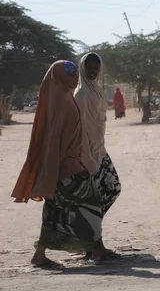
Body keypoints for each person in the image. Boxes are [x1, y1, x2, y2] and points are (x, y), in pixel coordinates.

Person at [11, 61, 114, 267]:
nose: (76, 78)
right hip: (69, 168)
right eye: (72, 75)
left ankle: (40, 254)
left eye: (77, 74)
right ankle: (97, 248)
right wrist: (63, 166)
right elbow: (56, 140)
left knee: (54, 210)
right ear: (59, 77)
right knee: (92, 202)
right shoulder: (62, 103)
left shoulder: (63, 98)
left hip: (63, 167)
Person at [74, 53, 122, 259]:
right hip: (87, 155)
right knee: (94, 199)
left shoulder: (96, 89)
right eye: (89, 68)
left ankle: (89, 240)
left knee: (112, 189)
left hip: (100, 150)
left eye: (96, 67)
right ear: (82, 69)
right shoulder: (81, 94)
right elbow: (79, 130)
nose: (93, 71)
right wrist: (87, 159)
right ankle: (96, 246)